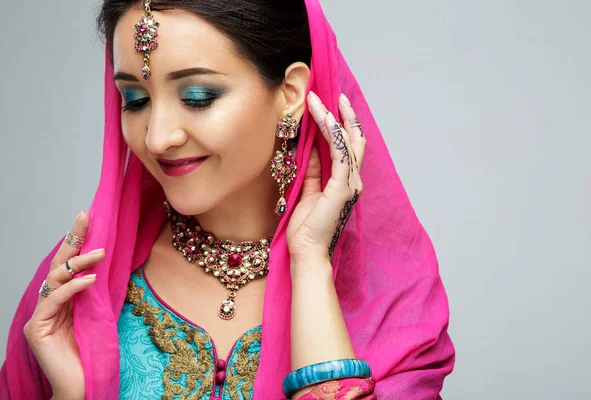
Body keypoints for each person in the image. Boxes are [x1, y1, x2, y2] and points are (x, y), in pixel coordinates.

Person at [0, 0, 455, 399]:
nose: (157, 138)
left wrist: (311, 265)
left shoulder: (393, 302)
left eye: (198, 96)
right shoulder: (79, 285)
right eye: (135, 99)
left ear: (291, 94)